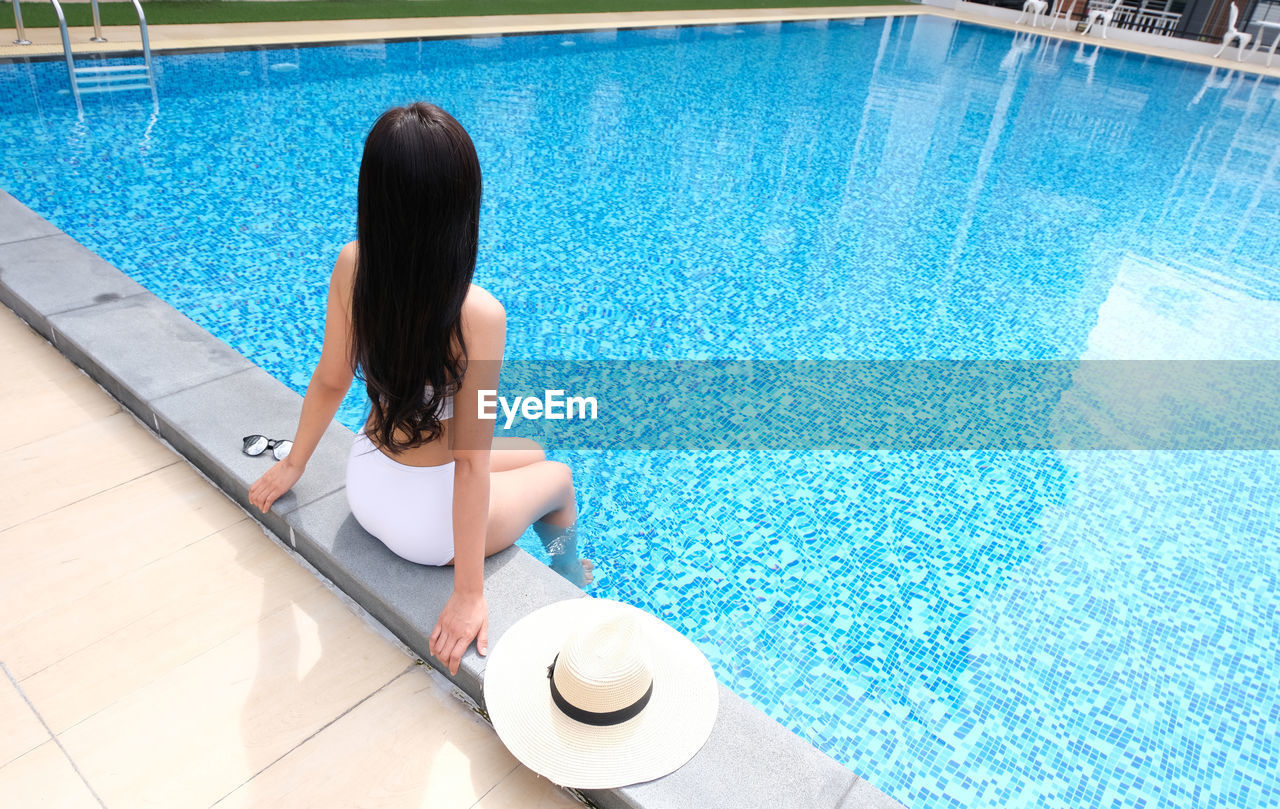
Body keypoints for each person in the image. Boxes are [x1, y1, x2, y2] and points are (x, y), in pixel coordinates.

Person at [247, 102, 592, 678]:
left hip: (365, 483)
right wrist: (467, 596)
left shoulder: (353, 265)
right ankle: (573, 580)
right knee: (558, 479)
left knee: (528, 449)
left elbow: (331, 379)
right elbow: (469, 466)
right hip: (427, 530)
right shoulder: (478, 314)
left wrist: (292, 465)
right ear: (460, 210)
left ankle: (565, 563)